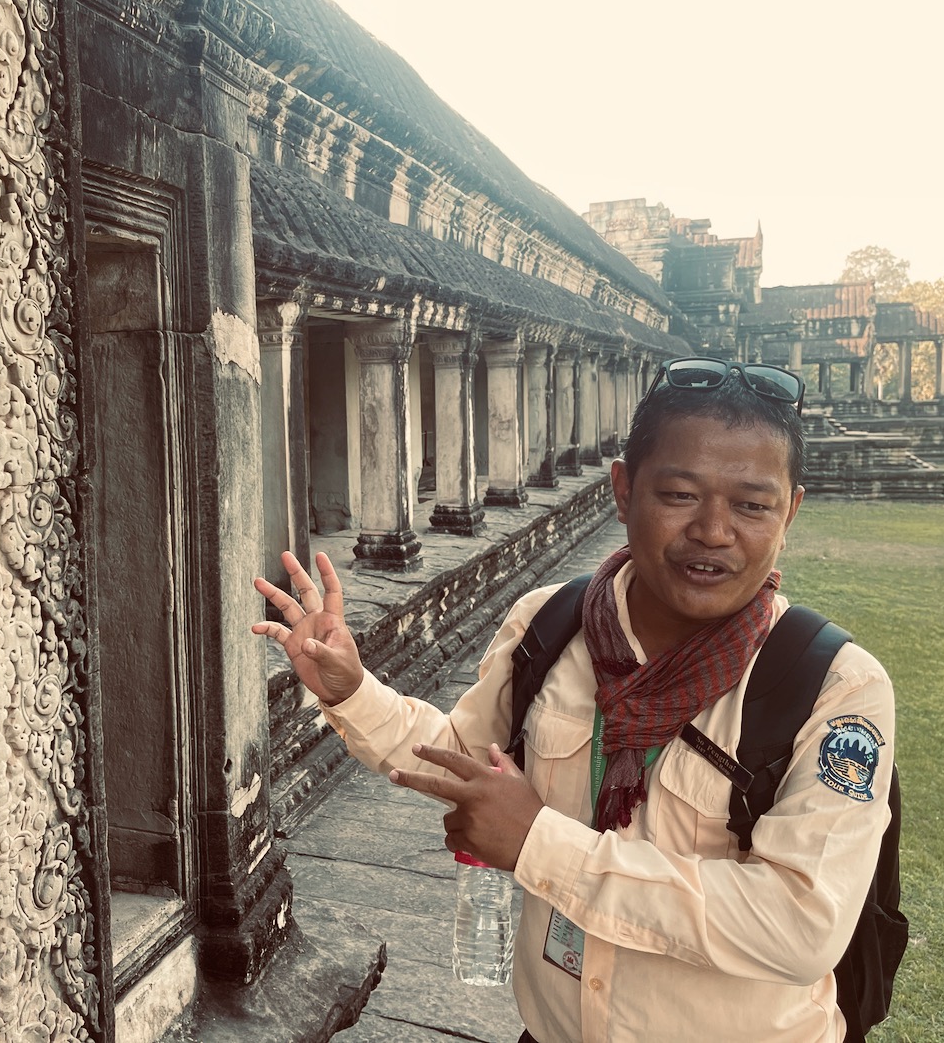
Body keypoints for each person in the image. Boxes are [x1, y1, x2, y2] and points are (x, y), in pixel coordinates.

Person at [253, 358, 895, 1043]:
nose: (713, 529)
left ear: (790, 510)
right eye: (679, 494)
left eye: (752, 504)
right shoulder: (552, 627)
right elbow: (468, 759)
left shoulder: (830, 687)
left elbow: (799, 923)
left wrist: (539, 843)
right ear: (623, 490)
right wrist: (353, 690)